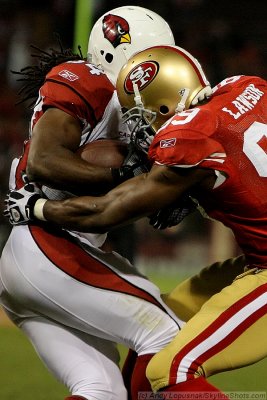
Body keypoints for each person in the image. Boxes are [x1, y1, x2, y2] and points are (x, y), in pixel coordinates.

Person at [7, 44, 267, 398]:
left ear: (162, 103)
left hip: (264, 267)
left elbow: (106, 212)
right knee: (165, 321)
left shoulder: (190, 138)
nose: (140, 126)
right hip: (256, 257)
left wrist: (37, 208)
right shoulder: (246, 86)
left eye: (142, 113)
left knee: (170, 366)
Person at [0, 8, 186, 400]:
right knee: (171, 339)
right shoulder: (89, 79)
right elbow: (45, 161)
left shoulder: (135, 102)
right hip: (48, 243)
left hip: (50, 256)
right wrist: (123, 177)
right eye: (147, 59)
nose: (157, 70)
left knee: (101, 390)